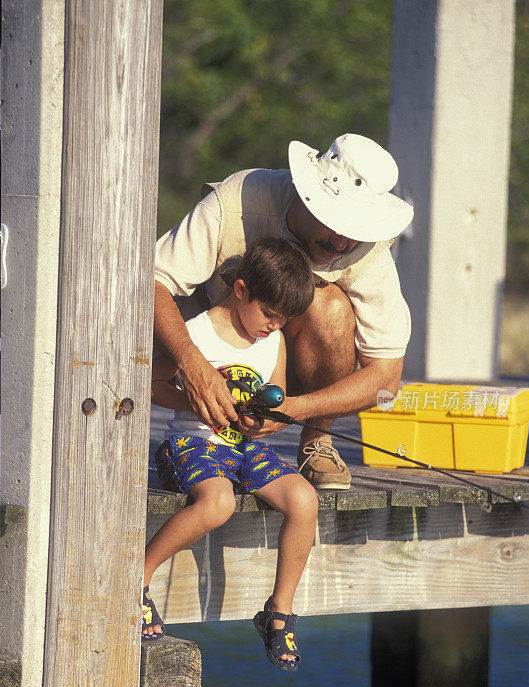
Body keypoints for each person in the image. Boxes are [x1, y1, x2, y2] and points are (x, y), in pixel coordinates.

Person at [153, 133, 414, 490]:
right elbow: (152, 282)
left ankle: (318, 440)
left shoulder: (369, 253)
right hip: (200, 343)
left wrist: (298, 408)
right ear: (307, 197)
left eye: (355, 231)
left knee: (332, 308)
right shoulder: (236, 201)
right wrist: (192, 365)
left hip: (285, 367)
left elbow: (386, 381)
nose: (342, 243)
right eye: (335, 224)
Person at [144, 237, 319, 671]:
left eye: (283, 321)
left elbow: (272, 397)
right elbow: (150, 385)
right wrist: (198, 402)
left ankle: (278, 612)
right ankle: (137, 575)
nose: (273, 327)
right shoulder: (195, 333)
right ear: (241, 290)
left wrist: (264, 419)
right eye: (269, 314)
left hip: (246, 449)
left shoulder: (272, 341)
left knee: (304, 499)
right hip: (192, 444)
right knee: (219, 502)